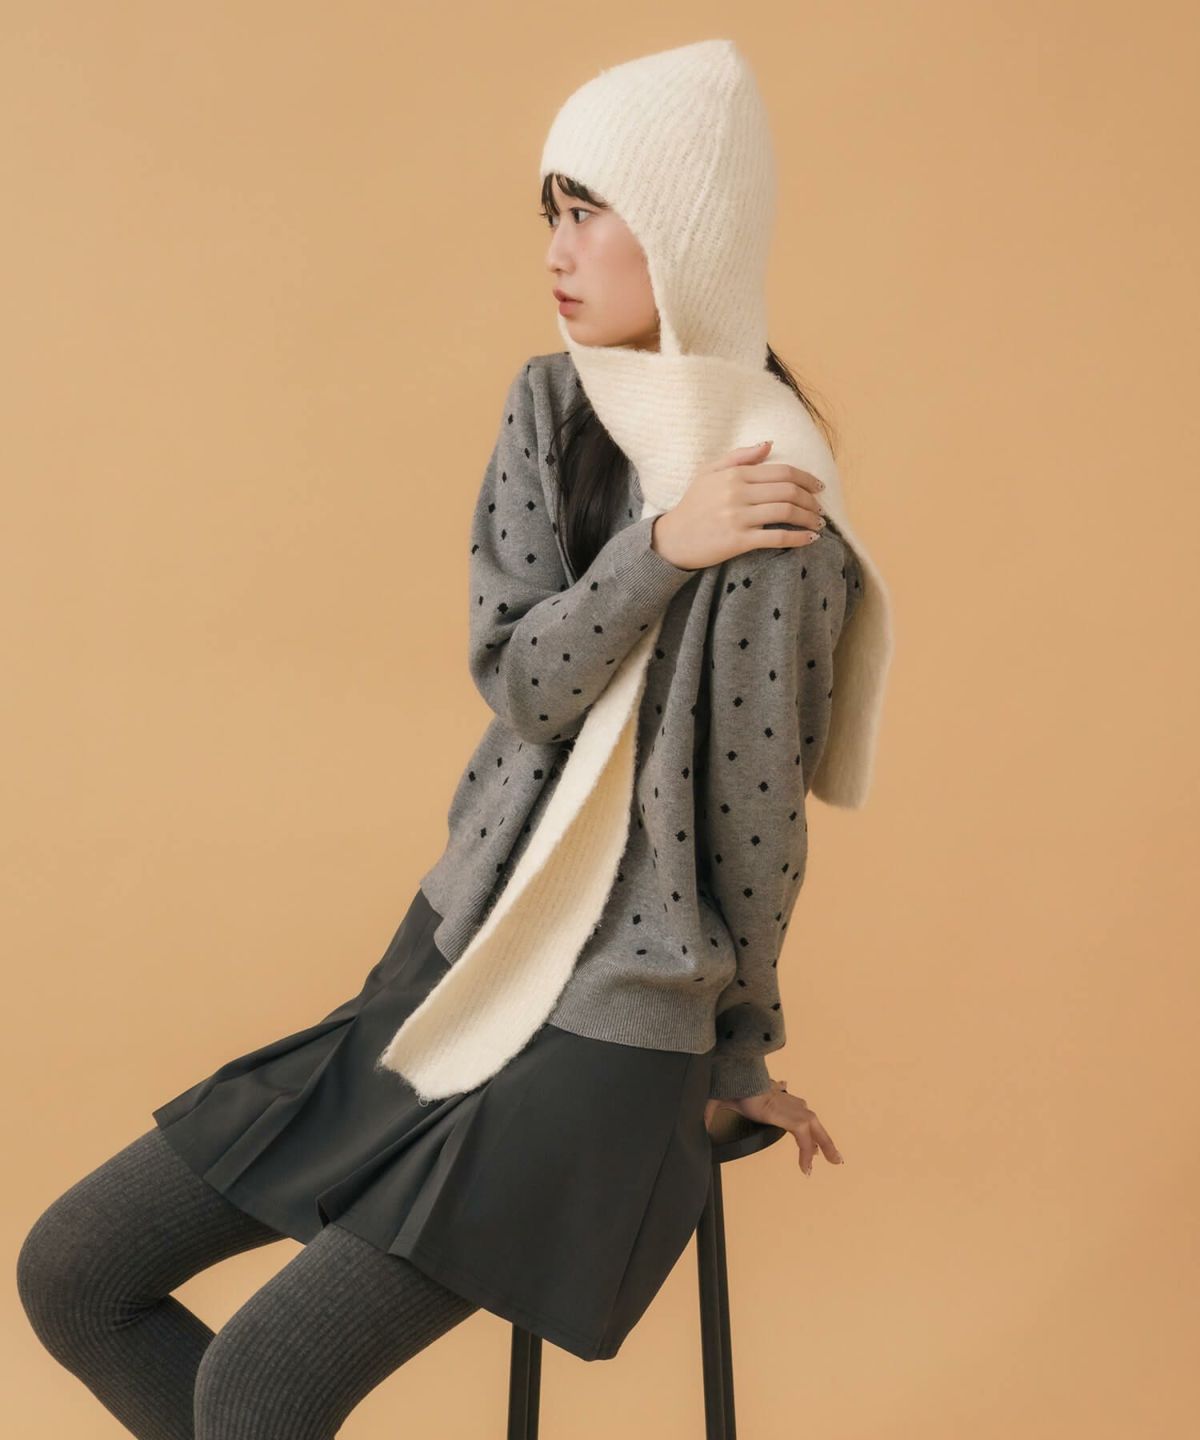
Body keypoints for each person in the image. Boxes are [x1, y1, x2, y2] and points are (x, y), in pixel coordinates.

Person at [17, 39, 890, 1439]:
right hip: (452, 966)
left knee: (259, 1388)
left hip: (608, 1038)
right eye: (552, 210)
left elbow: (753, 826)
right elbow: (523, 678)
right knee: (76, 1274)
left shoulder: (778, 503)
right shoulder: (550, 409)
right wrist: (661, 548)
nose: (558, 249)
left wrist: (738, 1066)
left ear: (687, 232)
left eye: (591, 211)